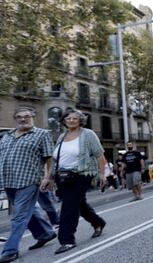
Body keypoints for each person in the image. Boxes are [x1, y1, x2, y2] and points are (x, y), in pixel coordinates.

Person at [0, 107, 56, 263]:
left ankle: (10, 250)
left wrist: (48, 177)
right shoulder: (7, 136)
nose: (23, 119)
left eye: (26, 116)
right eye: (19, 117)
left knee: (18, 216)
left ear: (33, 117)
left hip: (28, 180)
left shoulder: (42, 134)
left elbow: (49, 158)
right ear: (15, 119)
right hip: (8, 181)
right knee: (26, 212)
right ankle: (45, 233)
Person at [53, 109, 107, 255]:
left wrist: (102, 174)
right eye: (68, 118)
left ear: (80, 120)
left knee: (69, 207)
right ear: (64, 120)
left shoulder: (88, 134)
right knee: (79, 204)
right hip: (63, 176)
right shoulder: (61, 137)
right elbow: (55, 159)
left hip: (81, 174)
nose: (71, 120)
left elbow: (100, 155)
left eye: (75, 118)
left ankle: (67, 240)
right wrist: (50, 177)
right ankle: (98, 222)